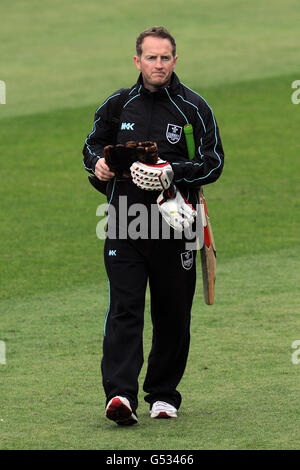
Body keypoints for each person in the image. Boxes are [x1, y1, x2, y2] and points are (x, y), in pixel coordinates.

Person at [82, 26, 224, 426]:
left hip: (176, 226)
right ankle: (121, 397)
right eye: (151, 57)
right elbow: (91, 146)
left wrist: (171, 171)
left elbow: (213, 162)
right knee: (124, 309)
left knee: (173, 313)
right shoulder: (118, 104)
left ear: (174, 60)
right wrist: (99, 164)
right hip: (124, 224)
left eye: (165, 58)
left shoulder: (193, 108)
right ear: (137, 60)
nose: (158, 64)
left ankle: (162, 395)